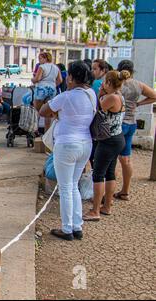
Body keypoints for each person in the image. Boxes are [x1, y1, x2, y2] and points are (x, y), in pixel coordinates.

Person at [39, 61, 96, 241]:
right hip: (85, 144)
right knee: (73, 186)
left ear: (70, 77)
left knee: (65, 188)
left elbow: (43, 111)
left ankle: (67, 228)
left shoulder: (66, 96)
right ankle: (77, 226)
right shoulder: (91, 94)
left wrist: (56, 111)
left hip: (66, 145)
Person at [83, 70, 129, 221]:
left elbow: (95, 110)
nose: (102, 84)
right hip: (117, 138)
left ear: (109, 83)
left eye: (104, 82)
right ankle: (107, 206)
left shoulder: (111, 97)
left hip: (108, 140)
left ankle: (95, 210)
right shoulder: (120, 96)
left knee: (98, 174)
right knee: (109, 173)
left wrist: (100, 93)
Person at [114, 60, 156, 201]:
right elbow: (154, 95)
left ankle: (107, 194)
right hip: (131, 123)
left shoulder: (117, 84)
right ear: (132, 71)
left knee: (111, 159)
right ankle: (125, 191)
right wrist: (139, 103)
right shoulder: (138, 85)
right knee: (126, 159)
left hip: (118, 124)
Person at [32, 52, 62, 130]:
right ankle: (47, 131)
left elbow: (37, 79)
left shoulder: (41, 67)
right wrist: (53, 84)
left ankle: (35, 129)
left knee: (37, 110)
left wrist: (33, 80)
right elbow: (60, 80)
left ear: (46, 58)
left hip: (41, 89)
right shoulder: (56, 67)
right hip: (52, 90)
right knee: (47, 113)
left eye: (40, 58)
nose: (39, 60)